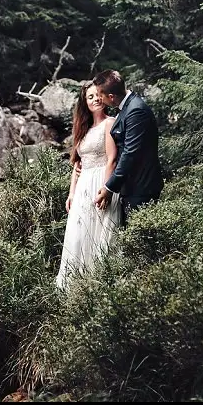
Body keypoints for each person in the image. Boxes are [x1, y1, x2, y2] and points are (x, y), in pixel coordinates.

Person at [55, 81, 122, 289]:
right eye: (90, 97)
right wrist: (71, 194)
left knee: (100, 234)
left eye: (97, 95)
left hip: (101, 182)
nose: (95, 100)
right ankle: (75, 284)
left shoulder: (110, 123)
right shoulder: (82, 128)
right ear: (85, 102)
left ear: (104, 96)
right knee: (78, 234)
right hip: (83, 186)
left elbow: (112, 159)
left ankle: (99, 283)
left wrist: (106, 190)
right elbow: (77, 164)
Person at [92, 70, 163, 225]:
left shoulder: (136, 110)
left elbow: (130, 153)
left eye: (100, 95)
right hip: (131, 187)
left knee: (140, 241)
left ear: (111, 97)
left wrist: (109, 188)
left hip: (141, 188)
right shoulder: (127, 107)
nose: (99, 99)